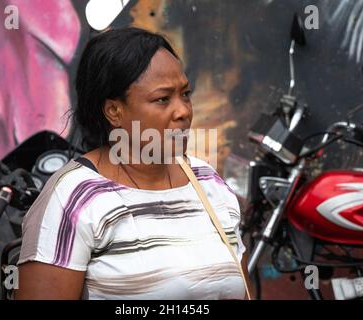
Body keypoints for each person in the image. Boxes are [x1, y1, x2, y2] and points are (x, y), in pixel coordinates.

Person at [15, 27, 248, 300]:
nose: (184, 110)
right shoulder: (74, 198)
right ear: (114, 111)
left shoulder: (208, 184)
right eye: (162, 99)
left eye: (185, 94)